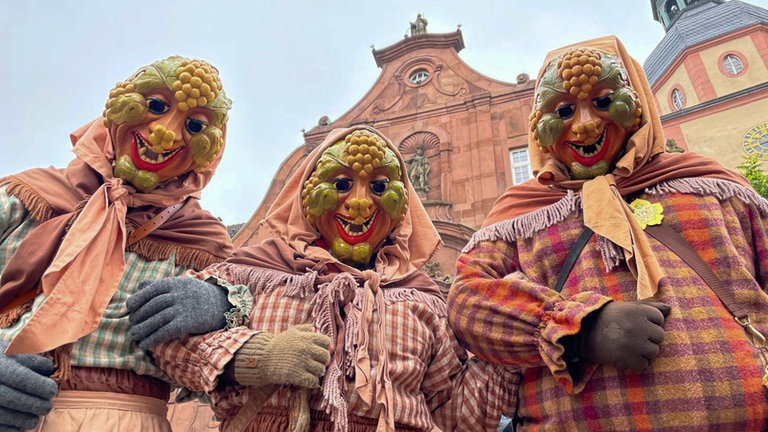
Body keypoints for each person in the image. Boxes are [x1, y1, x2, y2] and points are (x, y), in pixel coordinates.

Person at [447, 35, 768, 430]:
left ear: (638, 103)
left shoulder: (712, 186)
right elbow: (466, 301)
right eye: (563, 110)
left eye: (602, 102)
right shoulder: (521, 214)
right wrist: (579, 330)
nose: (584, 125)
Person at [127, 125, 518, 431]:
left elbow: (454, 417)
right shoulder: (252, 273)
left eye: (380, 186)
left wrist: (504, 345)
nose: (361, 202)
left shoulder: (423, 301)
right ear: (308, 194)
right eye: (342, 184)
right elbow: (163, 339)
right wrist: (255, 356)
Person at [0, 55, 235, 431]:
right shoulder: (23, 197)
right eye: (156, 106)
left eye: (194, 125)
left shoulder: (204, 243)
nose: (167, 133)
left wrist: (225, 307)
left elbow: (219, 368)